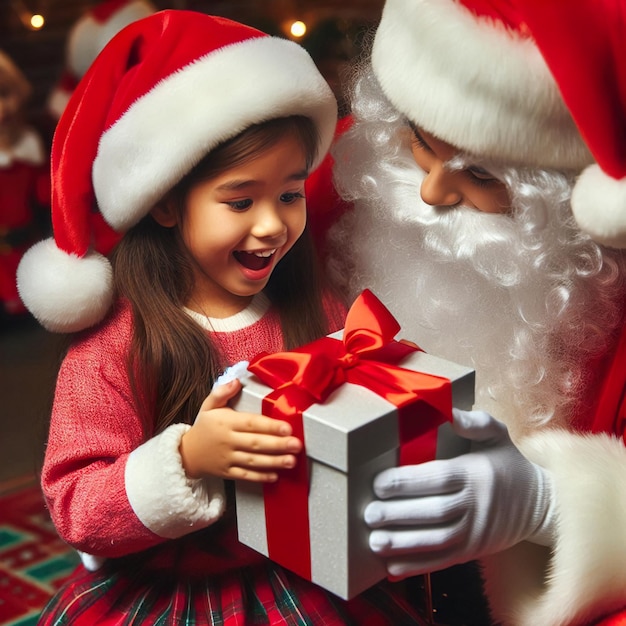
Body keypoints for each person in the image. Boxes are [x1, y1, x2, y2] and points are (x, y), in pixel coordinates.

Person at [16, 10, 426, 625]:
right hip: (169, 591)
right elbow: (75, 503)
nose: (272, 224)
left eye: (290, 193)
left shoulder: (313, 309)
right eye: (240, 200)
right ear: (165, 205)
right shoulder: (113, 345)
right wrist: (186, 461)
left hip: (307, 573)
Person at [326, 0, 626, 624]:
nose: (431, 192)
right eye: (419, 146)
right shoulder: (356, 172)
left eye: (480, 174)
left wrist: (550, 504)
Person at [0, 50, 50, 320]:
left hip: (29, 245)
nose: (2, 108)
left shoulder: (29, 142)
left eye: (5, 95)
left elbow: (44, 196)